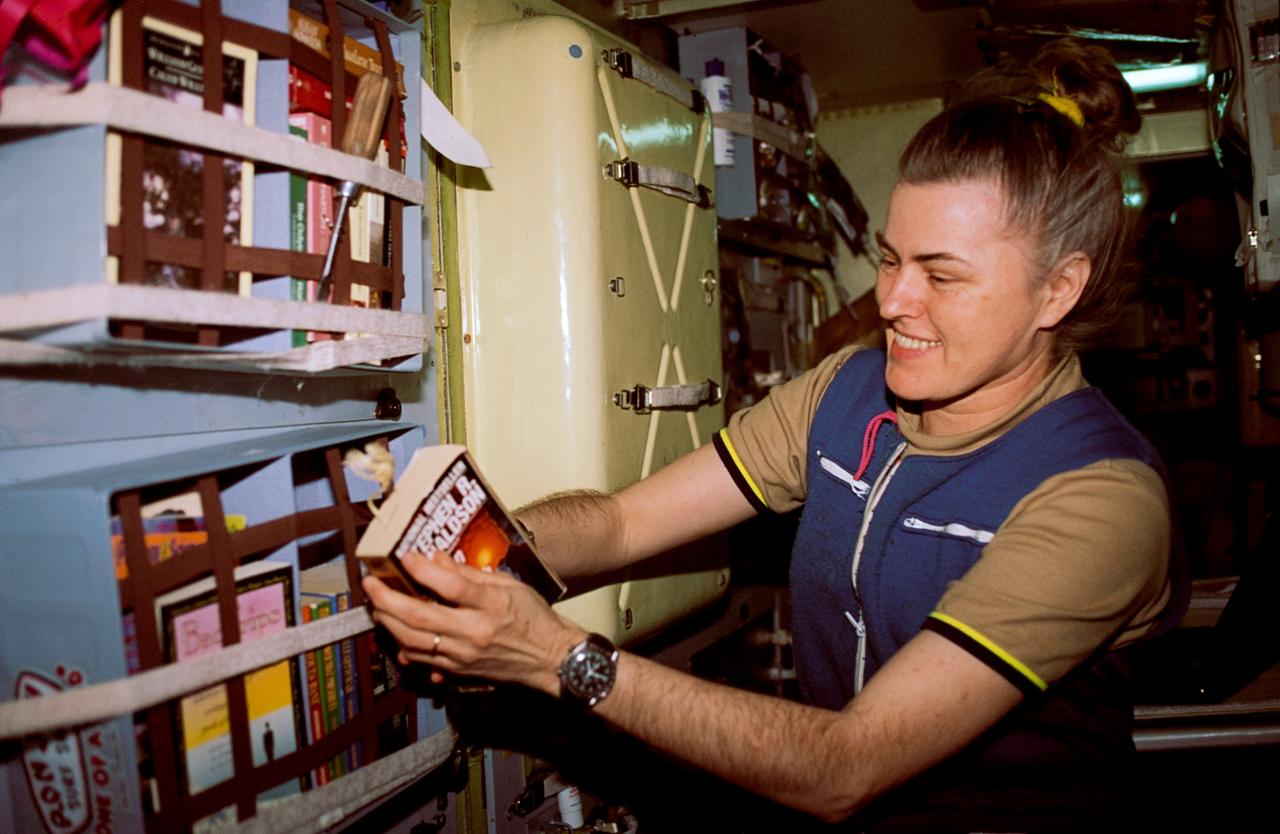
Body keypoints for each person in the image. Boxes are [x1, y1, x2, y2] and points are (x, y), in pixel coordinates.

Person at [363, 39, 1187, 832]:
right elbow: (624, 523)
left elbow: (846, 766)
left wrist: (553, 656)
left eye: (941, 275)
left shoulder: (1100, 496)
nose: (894, 301)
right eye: (890, 258)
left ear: (1058, 291)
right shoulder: (845, 394)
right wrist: (474, 550)